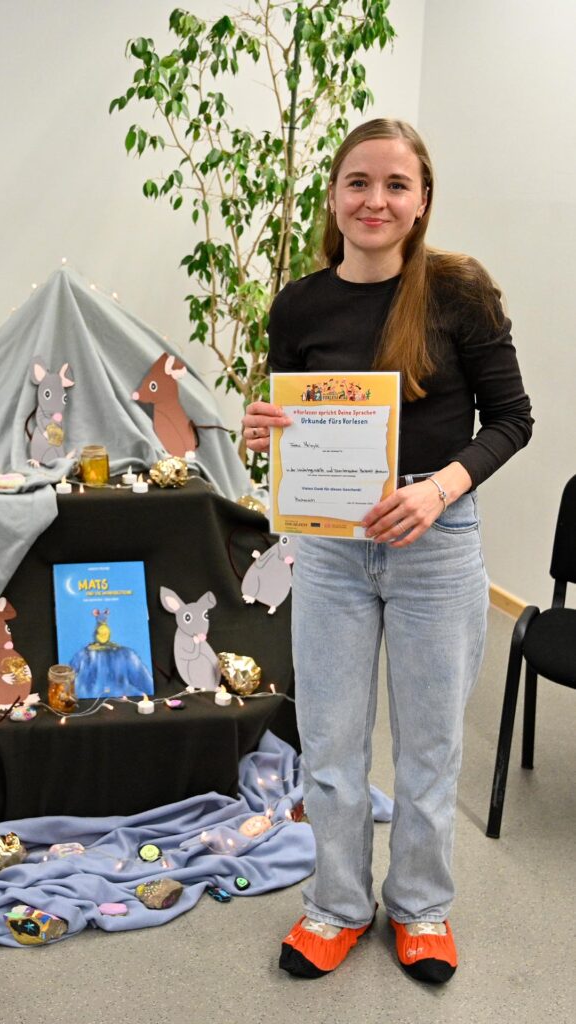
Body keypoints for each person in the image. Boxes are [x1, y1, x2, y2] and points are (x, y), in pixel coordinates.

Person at [242, 118, 533, 984]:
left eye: (395, 185)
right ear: (334, 197)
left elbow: (513, 420)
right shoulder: (299, 304)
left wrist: (440, 486)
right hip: (331, 552)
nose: (375, 199)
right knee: (329, 744)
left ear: (421, 201)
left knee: (430, 747)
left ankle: (421, 910)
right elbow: (292, 416)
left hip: (436, 548)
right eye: (358, 182)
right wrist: (266, 430)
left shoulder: (459, 293)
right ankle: (335, 908)